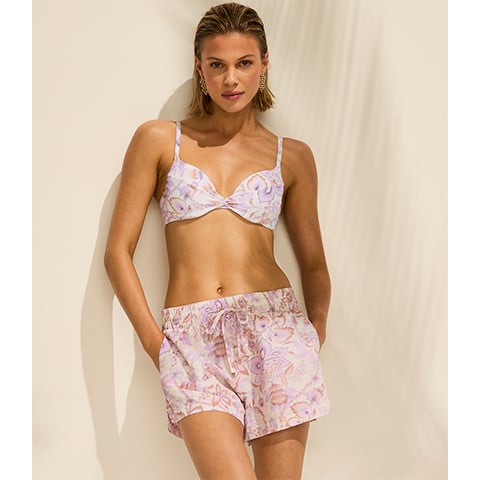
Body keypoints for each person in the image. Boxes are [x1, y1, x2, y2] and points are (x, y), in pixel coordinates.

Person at [104, 2, 331, 478]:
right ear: (199, 67)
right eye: (217, 64)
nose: (231, 79)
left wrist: (313, 334)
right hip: (191, 339)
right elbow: (118, 253)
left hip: (277, 333)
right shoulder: (159, 140)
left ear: (264, 64)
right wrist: (156, 344)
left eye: (244, 63)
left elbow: (313, 262)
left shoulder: (291, 157)